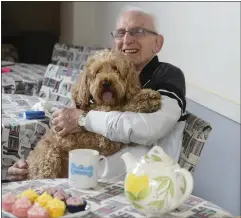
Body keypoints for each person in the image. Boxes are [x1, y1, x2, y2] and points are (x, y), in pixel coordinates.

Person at [7, 8, 187, 181]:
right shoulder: (106, 88)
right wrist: (31, 166)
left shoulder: (167, 76)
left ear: (158, 43)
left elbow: (148, 129)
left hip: (130, 183)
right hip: (76, 174)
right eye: (120, 33)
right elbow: (67, 127)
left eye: (137, 31)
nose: (127, 39)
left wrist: (84, 120)